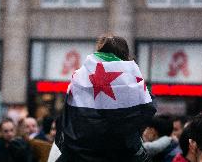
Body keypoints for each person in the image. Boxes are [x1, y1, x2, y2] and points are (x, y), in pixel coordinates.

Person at [54, 33, 156, 162]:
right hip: (120, 153)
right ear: (125, 53)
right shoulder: (133, 80)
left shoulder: (80, 76)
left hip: (78, 152)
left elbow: (66, 116)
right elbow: (148, 110)